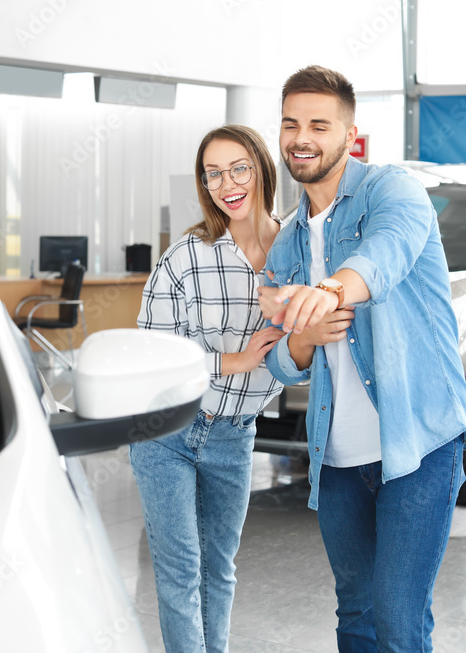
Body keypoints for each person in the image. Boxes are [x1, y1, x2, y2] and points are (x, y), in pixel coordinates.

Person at [258, 65, 466, 652]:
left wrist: (327, 291)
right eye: (290, 124)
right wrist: (306, 334)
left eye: (319, 125)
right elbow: (278, 357)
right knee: (355, 613)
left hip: (418, 442)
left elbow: (387, 254)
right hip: (337, 457)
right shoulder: (287, 241)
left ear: (349, 134)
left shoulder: (390, 189)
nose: (302, 138)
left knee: (399, 620)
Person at [131, 124, 285, 653]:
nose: (228, 183)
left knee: (218, 569)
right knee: (181, 574)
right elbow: (153, 358)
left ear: (262, 169)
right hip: (166, 428)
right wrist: (233, 359)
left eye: (239, 167)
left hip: (235, 435)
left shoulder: (298, 253)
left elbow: (306, 354)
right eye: (213, 173)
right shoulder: (185, 258)